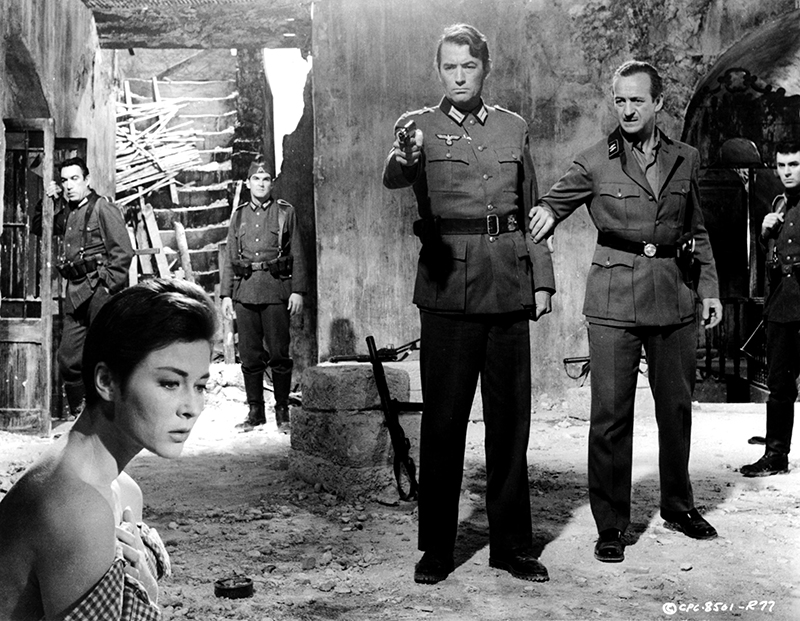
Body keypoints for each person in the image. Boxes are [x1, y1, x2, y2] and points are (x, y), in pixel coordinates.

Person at [529, 60, 723, 563]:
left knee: (676, 409)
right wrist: (545, 215)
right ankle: (612, 524)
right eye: (620, 100)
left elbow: (697, 229)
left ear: (658, 103)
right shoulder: (595, 160)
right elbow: (550, 206)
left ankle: (678, 505)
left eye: (638, 100)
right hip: (614, 300)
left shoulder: (685, 157)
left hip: (674, 296)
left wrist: (710, 289)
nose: (628, 109)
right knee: (610, 415)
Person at [382, 23, 556, 584]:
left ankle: (512, 546)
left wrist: (542, 279)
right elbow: (395, 175)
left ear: (485, 68)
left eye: (469, 66)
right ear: (438, 71)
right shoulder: (417, 128)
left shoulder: (513, 127)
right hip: (448, 292)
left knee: (510, 425)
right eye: (449, 67)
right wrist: (405, 156)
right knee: (444, 424)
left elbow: (531, 208)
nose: (459, 77)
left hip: (507, 285)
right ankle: (436, 548)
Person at [0, 278, 217, 620]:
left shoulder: (121, 490)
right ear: (106, 382)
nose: (192, 407)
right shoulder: (78, 509)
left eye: (201, 385)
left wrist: (146, 587)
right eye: (170, 383)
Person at [35, 156, 135, 419]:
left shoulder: (103, 208)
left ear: (87, 180)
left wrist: (107, 287)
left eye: (74, 179)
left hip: (99, 292)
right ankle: (82, 417)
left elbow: (123, 252)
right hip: (75, 293)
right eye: (64, 180)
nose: (69, 185)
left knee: (105, 357)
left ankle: (112, 418)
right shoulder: (68, 213)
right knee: (68, 359)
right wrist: (48, 200)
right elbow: (39, 227)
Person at [220, 157, 307, 433]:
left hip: (275, 290)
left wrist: (298, 291)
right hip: (245, 292)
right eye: (256, 179)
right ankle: (255, 411)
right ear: (247, 183)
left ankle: (282, 411)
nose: (260, 183)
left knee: (279, 353)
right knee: (249, 355)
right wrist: (226, 295)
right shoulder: (238, 215)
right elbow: (230, 257)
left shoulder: (285, 212)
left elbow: (298, 253)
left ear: (272, 183)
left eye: (266, 179)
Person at [740, 141, 800, 477]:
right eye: (782, 165)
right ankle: (776, 454)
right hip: (782, 304)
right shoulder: (779, 203)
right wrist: (765, 235)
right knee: (779, 385)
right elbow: (775, 258)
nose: (787, 171)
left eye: (794, 164)